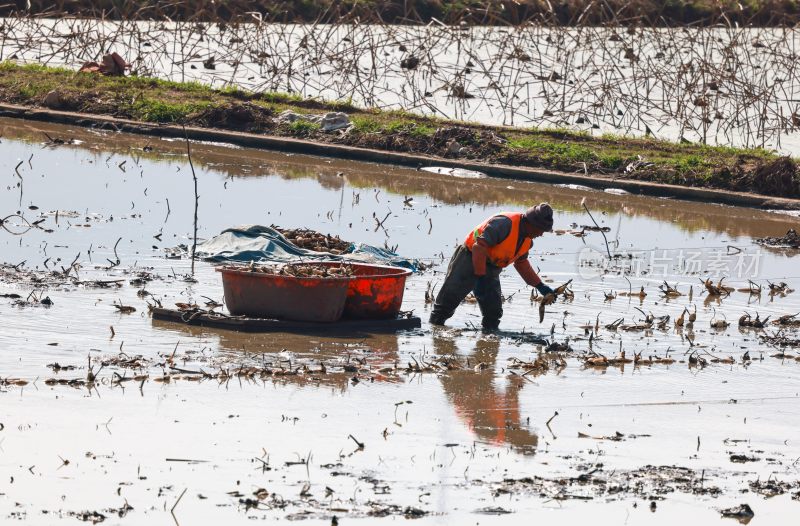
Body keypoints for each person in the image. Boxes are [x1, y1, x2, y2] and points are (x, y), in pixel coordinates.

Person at [429, 203, 554, 330]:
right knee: (446, 304)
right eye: (541, 229)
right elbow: (479, 247)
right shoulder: (504, 224)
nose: (541, 234)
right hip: (470, 258)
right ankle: (434, 330)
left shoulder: (527, 241)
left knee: (493, 313)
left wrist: (540, 286)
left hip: (491, 267)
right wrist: (480, 274)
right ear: (531, 223)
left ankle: (488, 339)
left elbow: (521, 263)